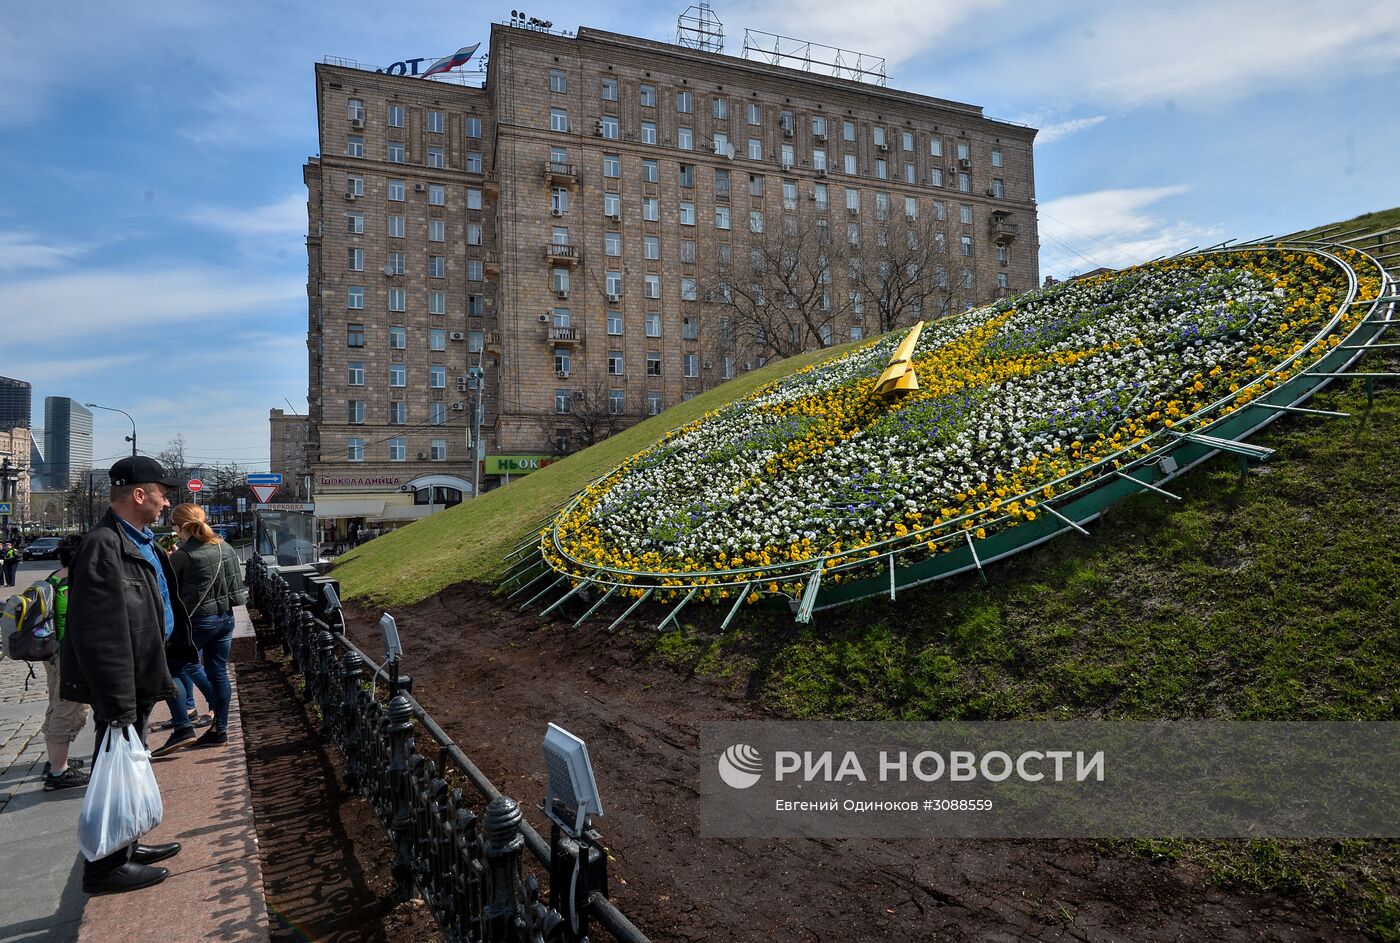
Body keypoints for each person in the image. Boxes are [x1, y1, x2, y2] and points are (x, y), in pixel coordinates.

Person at [61, 456, 195, 895]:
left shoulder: (138, 540)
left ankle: (126, 845)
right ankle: (105, 868)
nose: (166, 502)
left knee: (128, 766)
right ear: (139, 495)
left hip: (141, 676)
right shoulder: (104, 545)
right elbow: (100, 632)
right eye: (161, 493)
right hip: (123, 684)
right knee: (114, 765)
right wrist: (116, 700)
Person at [162, 504, 245, 752]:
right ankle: (220, 729)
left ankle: (182, 727)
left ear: (179, 527)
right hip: (225, 619)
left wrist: (170, 560)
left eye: (173, 524)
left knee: (168, 669)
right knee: (217, 672)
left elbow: (167, 590)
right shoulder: (224, 546)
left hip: (198, 621)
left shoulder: (182, 555)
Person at [40, 535, 91, 791]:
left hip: (52, 653)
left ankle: (54, 759)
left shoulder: (55, 576)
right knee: (69, 708)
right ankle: (58, 773)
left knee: (56, 704)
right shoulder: (74, 582)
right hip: (67, 654)